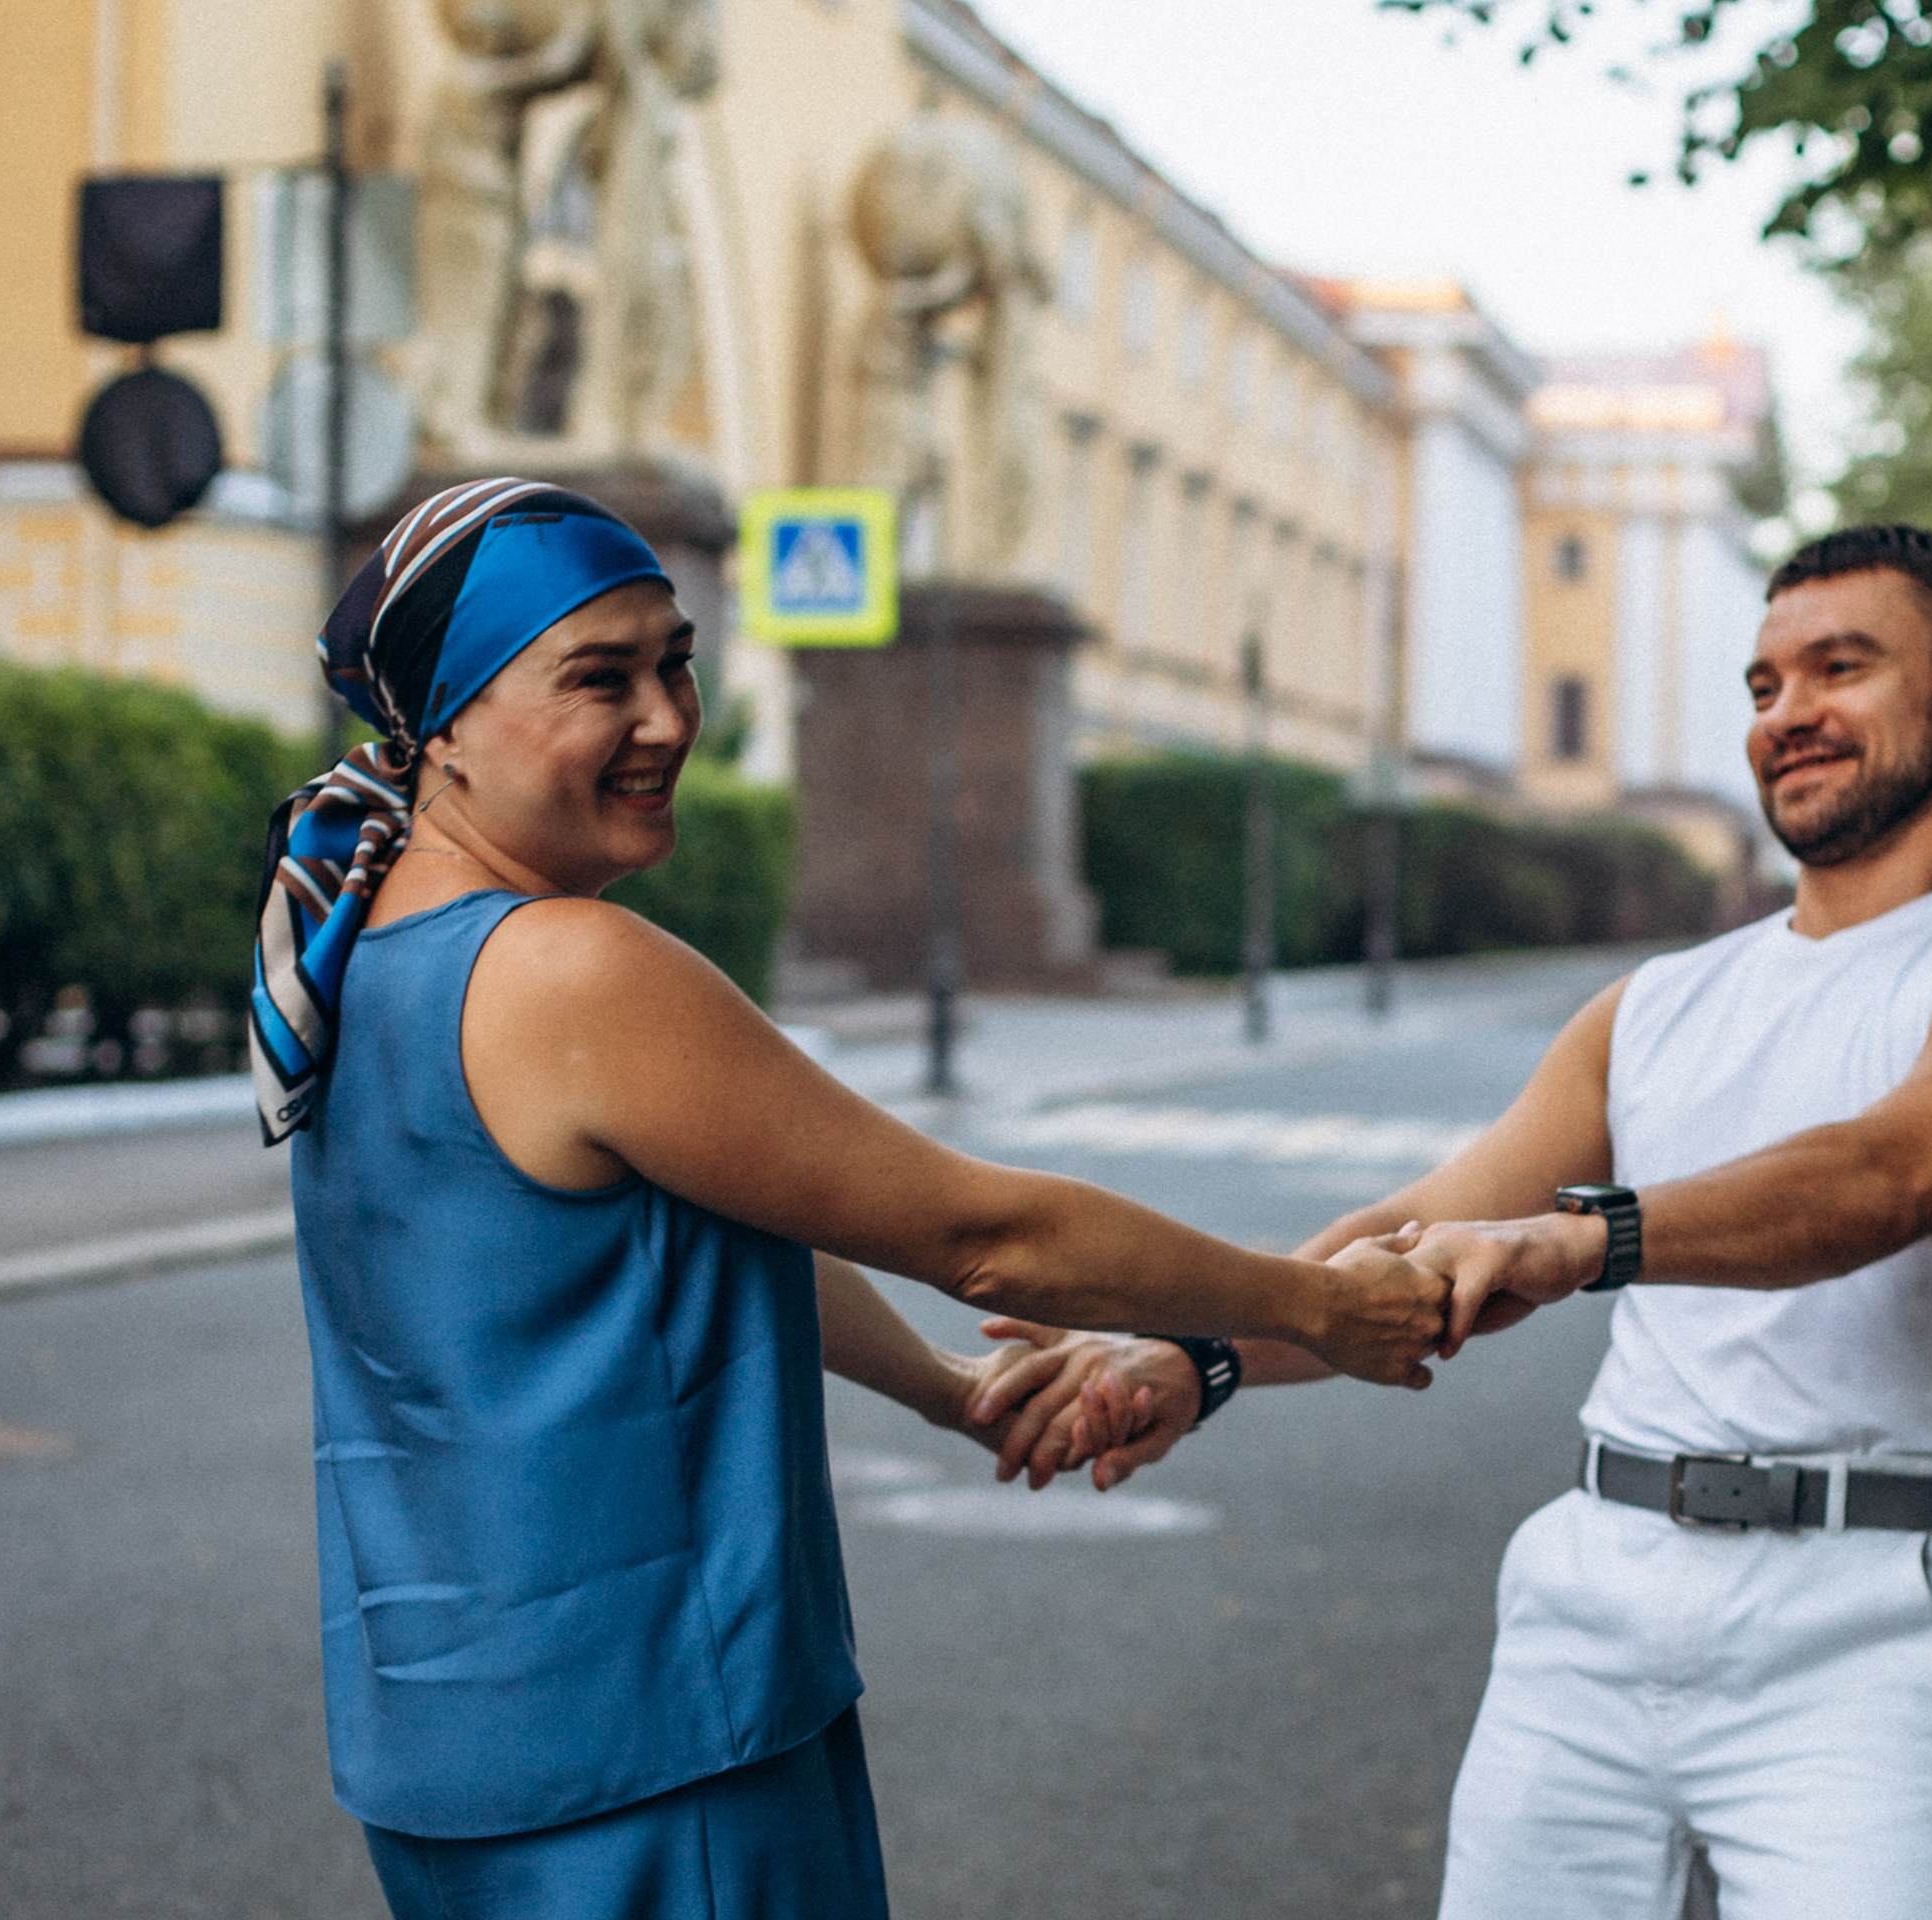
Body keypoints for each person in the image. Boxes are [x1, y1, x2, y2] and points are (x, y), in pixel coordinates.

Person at [247, 477, 1447, 1920]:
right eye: (599, 677)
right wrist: (1321, 1306)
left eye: (678, 660)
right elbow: (981, 1233)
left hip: (452, 1742)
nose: (668, 718)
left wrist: (953, 1394)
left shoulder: (354, 958)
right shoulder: (569, 968)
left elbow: (702, 1233)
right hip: (660, 1750)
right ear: (443, 725)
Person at [1049, 525, 1932, 1918]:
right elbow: (1424, 1230)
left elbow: (1882, 1178)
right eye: (1760, 687)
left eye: (1839, 670)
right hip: (1594, 1593)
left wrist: (1583, 1241)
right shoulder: (1657, 1004)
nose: (1787, 716)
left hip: (1863, 1624)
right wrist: (1193, 1360)